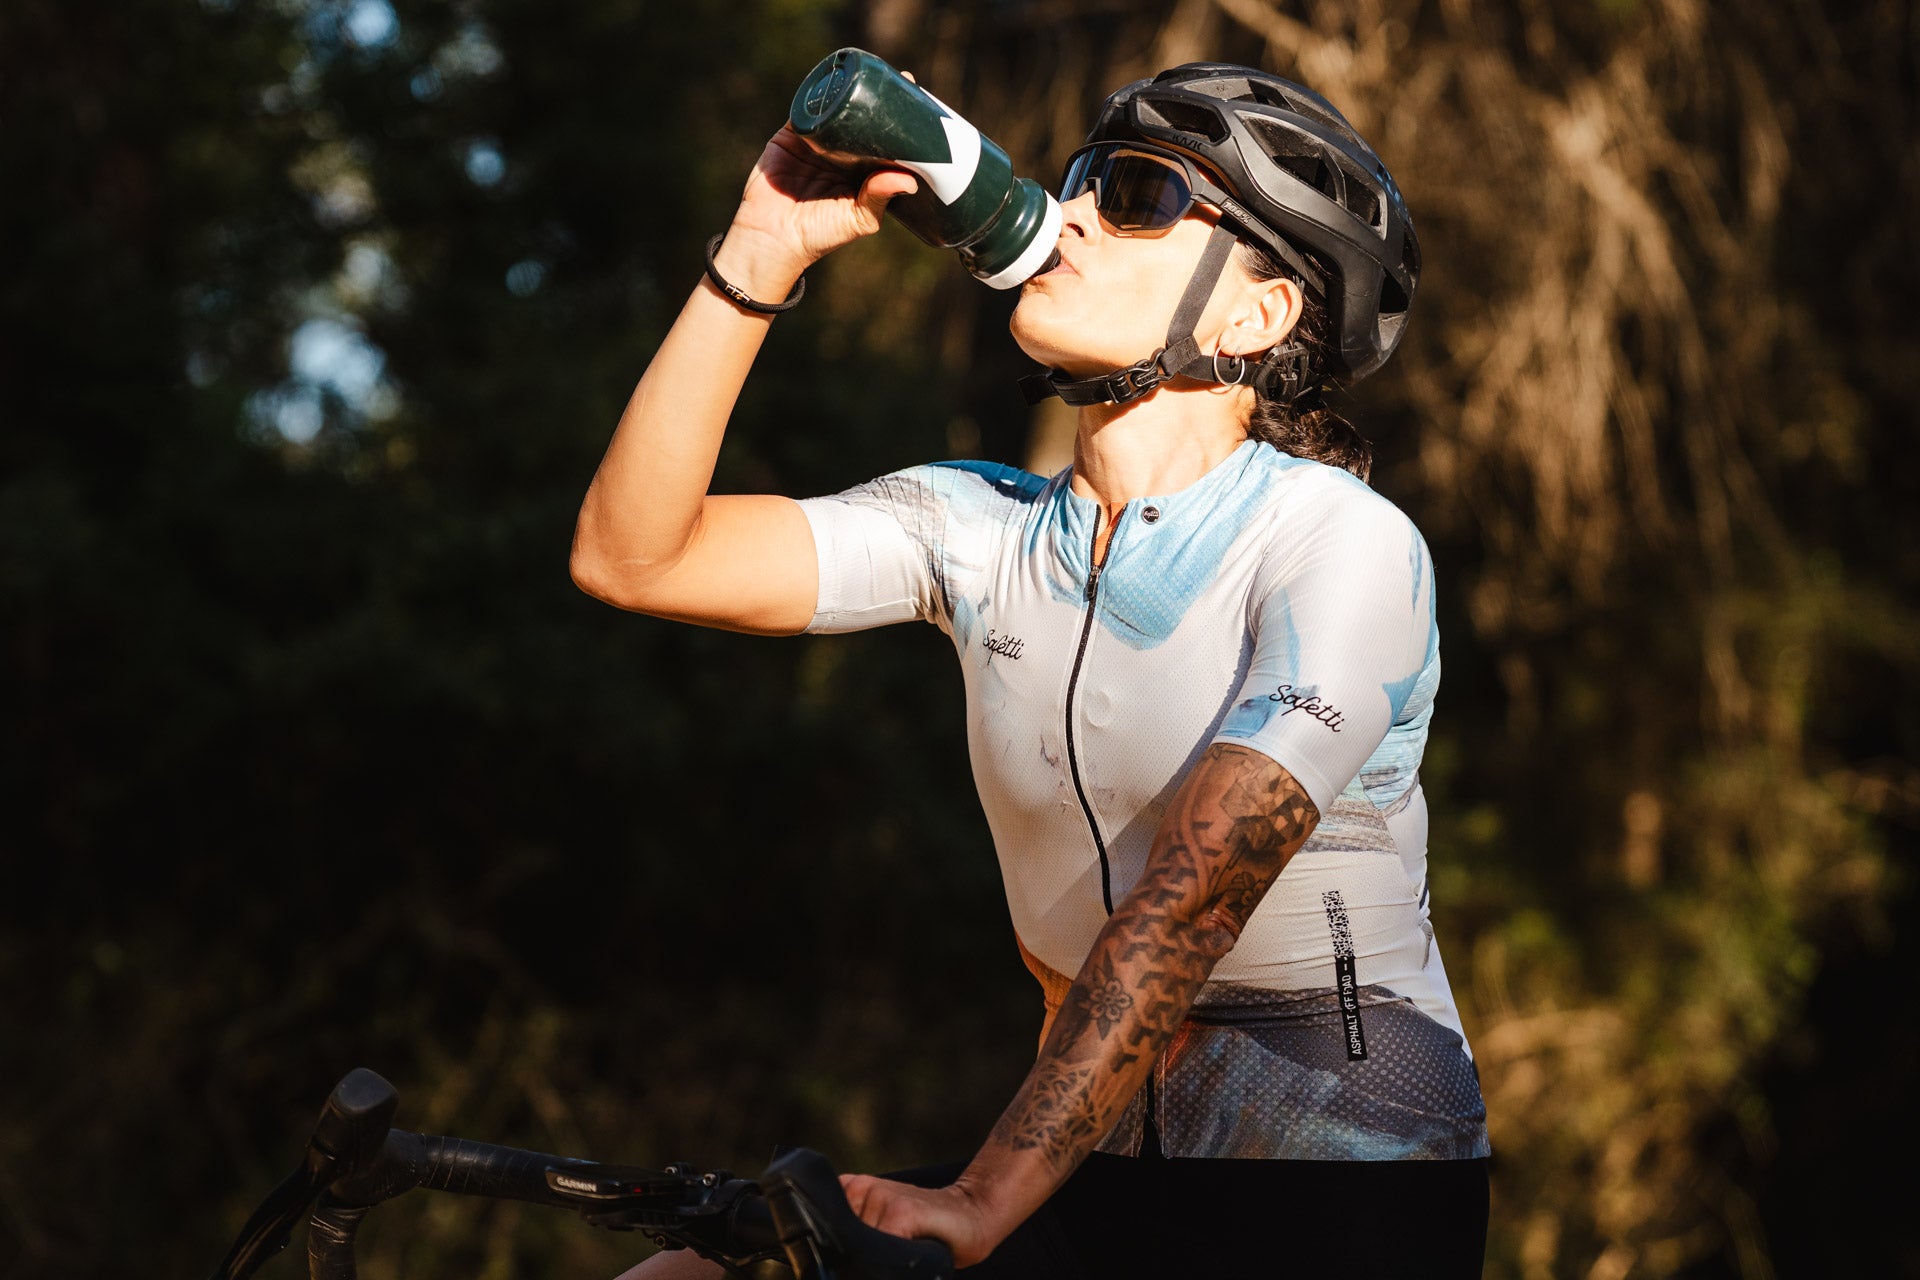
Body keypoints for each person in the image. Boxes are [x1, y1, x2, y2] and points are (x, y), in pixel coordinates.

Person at [576, 62, 1489, 1280]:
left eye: (1139, 195)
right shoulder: (977, 528)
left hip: (1335, 1191)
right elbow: (634, 555)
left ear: (1254, 316)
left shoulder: (1336, 539)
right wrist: (759, 251)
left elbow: (1194, 896)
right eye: (1075, 184)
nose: (1069, 218)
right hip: (1090, 1171)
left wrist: (979, 1199)